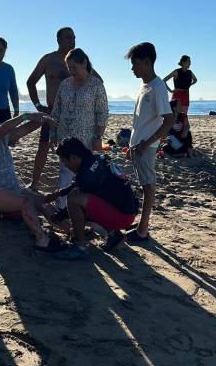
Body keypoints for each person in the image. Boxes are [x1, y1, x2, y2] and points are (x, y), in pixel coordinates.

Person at [0, 109, 67, 252]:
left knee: (43, 201)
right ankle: (42, 239)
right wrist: (24, 116)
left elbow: (25, 129)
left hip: (10, 188)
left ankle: (70, 229)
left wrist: (44, 119)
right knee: (26, 202)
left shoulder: (3, 138)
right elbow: (1, 131)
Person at [26, 27, 102, 190]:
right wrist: (39, 106)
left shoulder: (80, 61)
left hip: (77, 117)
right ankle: (34, 183)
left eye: (74, 37)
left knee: (76, 151)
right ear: (58, 40)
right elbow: (30, 82)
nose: (72, 41)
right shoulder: (48, 60)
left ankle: (77, 185)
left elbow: (98, 82)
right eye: (68, 38)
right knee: (44, 145)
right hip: (53, 111)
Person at [42, 138, 140, 260]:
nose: (65, 166)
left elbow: (77, 198)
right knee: (85, 197)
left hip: (122, 217)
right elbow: (79, 184)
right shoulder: (95, 159)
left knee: (74, 198)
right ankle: (114, 235)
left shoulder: (86, 175)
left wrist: (56, 218)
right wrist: (58, 194)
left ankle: (81, 247)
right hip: (129, 210)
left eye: (64, 161)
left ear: (73, 158)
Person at [49, 48, 108, 215]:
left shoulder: (96, 85)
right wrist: (53, 134)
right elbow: (56, 110)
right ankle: (61, 208)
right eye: (69, 67)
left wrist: (98, 137)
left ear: (84, 63)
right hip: (64, 136)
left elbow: (102, 113)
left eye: (74, 66)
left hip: (86, 138)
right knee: (65, 171)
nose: (71, 71)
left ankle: (83, 209)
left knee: (85, 174)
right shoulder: (65, 84)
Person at [125, 42, 175, 243]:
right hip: (138, 145)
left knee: (148, 187)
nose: (133, 68)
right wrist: (133, 144)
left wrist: (146, 143)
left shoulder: (158, 86)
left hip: (146, 147)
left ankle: (143, 229)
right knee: (144, 185)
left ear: (147, 62)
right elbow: (142, 120)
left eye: (135, 64)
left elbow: (169, 120)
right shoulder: (144, 85)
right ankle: (141, 226)